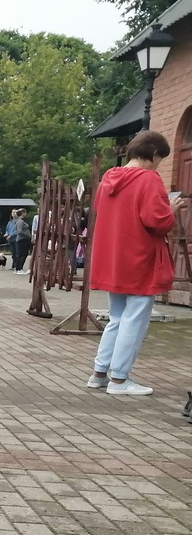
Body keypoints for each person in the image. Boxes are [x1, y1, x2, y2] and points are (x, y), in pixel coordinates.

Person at [85, 130, 187, 396]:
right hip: (139, 257)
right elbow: (157, 222)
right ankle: (119, 378)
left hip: (113, 257)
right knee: (135, 318)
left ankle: (99, 373)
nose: (159, 164)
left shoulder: (110, 177)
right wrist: (171, 210)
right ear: (153, 155)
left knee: (116, 317)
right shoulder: (149, 179)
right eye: (160, 159)